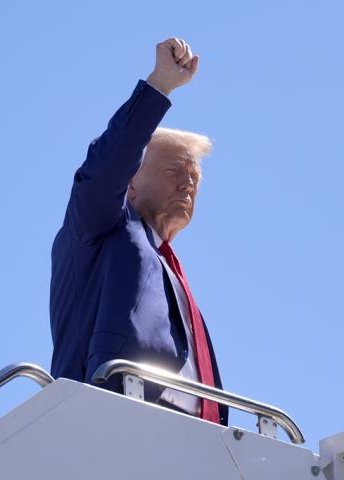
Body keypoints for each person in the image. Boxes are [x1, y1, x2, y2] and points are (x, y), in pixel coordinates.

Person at [49, 38, 227, 425]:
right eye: (172, 172)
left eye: (194, 177)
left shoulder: (171, 272)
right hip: (109, 425)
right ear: (129, 184)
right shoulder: (101, 227)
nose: (188, 184)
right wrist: (159, 86)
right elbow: (106, 167)